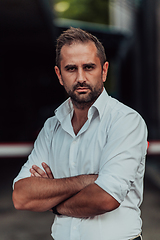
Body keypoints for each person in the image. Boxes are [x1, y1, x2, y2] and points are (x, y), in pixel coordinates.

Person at [12, 27, 147, 240]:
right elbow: (22, 196)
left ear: (104, 70)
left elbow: (105, 198)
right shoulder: (51, 127)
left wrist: (53, 200)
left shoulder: (126, 121)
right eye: (71, 68)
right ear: (59, 74)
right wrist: (86, 181)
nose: (81, 77)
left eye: (89, 67)